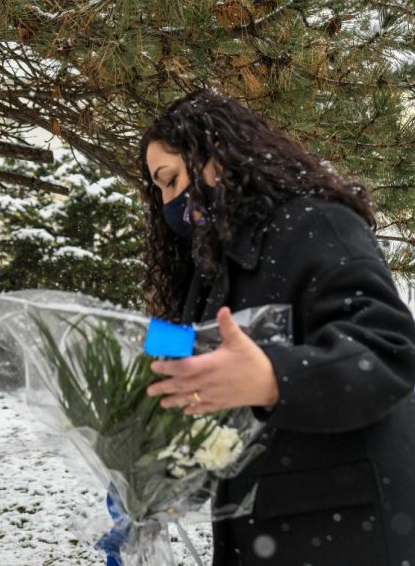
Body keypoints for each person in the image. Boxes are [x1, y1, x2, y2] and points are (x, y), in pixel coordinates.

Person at [139, 88, 415, 565]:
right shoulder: (212, 267)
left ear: (217, 156)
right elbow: (209, 374)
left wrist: (272, 379)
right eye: (159, 189)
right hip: (258, 529)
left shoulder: (318, 224)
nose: (168, 201)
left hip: (347, 532)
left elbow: (390, 351)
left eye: (171, 179)